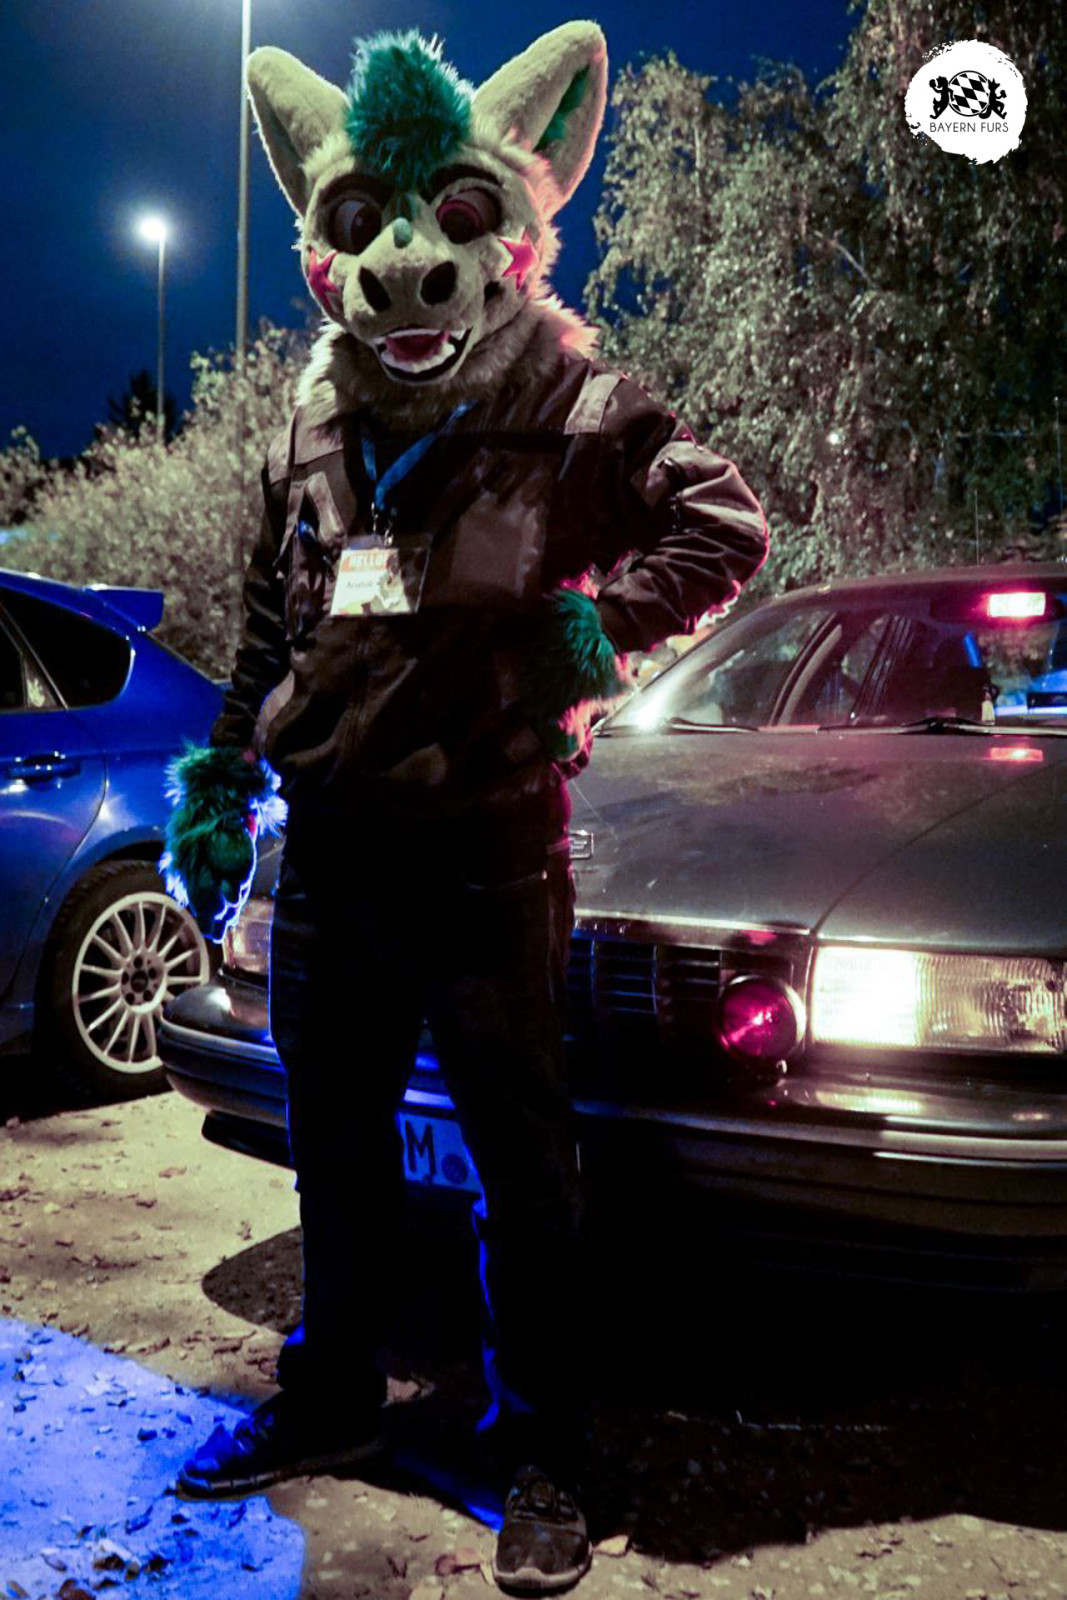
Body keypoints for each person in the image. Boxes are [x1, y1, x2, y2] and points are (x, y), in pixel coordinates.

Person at [163, 23, 768, 1593]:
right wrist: (222, 780)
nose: (407, 262)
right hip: (331, 859)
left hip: (488, 860)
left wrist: (590, 631)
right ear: (327, 245)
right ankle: (333, 1396)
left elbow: (724, 524)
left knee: (521, 1164)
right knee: (336, 1151)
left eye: (450, 216)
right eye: (366, 221)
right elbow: (269, 626)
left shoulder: (574, 404)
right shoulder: (311, 426)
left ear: (508, 233)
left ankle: (545, 1452)